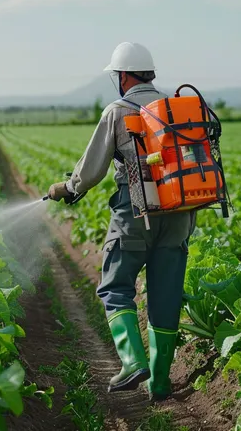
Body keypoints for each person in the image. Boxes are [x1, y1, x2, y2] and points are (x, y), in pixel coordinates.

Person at [46, 42, 196, 401]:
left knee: (115, 287)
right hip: (179, 214)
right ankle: (159, 382)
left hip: (136, 213)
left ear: (123, 76)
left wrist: (66, 188)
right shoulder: (174, 108)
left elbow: (91, 169)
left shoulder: (119, 110)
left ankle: (132, 361)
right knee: (165, 296)